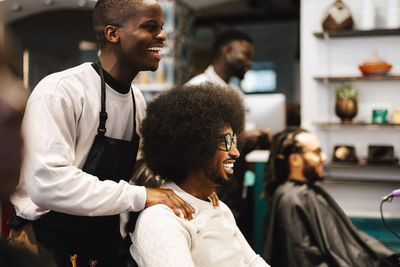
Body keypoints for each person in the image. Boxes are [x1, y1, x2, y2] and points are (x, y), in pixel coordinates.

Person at [8, 1, 194, 266]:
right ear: (112, 33)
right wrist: (141, 196)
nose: (162, 36)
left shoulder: (136, 100)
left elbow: (136, 168)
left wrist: (184, 185)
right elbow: (47, 184)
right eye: (150, 27)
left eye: (161, 28)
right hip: (45, 243)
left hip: (99, 243)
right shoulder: (61, 91)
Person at [130, 82, 269, 267]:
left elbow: (252, 261)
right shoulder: (162, 219)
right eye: (226, 141)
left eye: (234, 140)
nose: (235, 152)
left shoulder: (219, 207)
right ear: (194, 147)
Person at [262, 127, 400, 267]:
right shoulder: (291, 199)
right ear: (295, 160)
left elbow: (353, 239)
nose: (324, 158)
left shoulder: (308, 192)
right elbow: (303, 257)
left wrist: (392, 256)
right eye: (317, 152)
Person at [187, 29, 269, 243]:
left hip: (232, 177)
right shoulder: (199, 88)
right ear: (228, 51)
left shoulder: (234, 90)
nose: (249, 62)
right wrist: (242, 138)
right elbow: (194, 140)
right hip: (207, 181)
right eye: (246, 55)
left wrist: (251, 139)